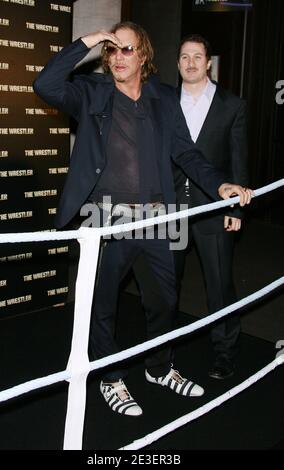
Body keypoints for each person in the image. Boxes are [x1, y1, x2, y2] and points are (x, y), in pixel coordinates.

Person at [33, 22, 252, 417]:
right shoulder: (91, 92)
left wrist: (220, 185)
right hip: (104, 218)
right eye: (112, 50)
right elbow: (45, 84)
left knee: (165, 301)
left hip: (157, 216)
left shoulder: (164, 98)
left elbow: (186, 153)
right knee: (103, 305)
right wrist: (88, 40)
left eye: (127, 49)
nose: (118, 56)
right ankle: (110, 377)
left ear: (144, 56)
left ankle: (159, 367)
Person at [173, 34, 249, 379]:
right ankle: (162, 351)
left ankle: (224, 351)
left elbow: (239, 161)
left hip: (215, 207)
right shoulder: (163, 102)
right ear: (178, 64)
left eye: (197, 56)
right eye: (184, 56)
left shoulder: (232, 105)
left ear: (208, 63)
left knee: (219, 284)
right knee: (165, 284)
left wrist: (236, 208)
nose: (190, 62)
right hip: (171, 208)